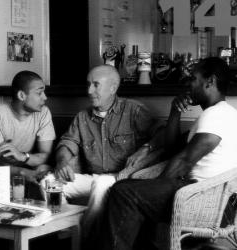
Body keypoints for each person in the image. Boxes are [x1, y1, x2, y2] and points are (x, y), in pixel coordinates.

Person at [94, 57, 237, 250]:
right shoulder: (219, 114)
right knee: (129, 188)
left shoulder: (216, 115)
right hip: (210, 199)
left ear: (209, 82)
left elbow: (184, 161)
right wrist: (175, 112)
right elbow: (172, 149)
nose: (188, 85)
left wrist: (154, 188)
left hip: (202, 200)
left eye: (193, 79)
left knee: (123, 192)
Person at [53, 65, 163, 232]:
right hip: (93, 177)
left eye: (96, 84)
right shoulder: (82, 117)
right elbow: (67, 143)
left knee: (102, 183)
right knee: (48, 182)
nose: (89, 90)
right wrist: (61, 162)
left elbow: (163, 133)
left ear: (113, 88)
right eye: (88, 84)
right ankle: (70, 231)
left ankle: (87, 239)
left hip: (123, 179)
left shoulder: (134, 110)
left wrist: (146, 148)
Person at [0, 70, 55, 196]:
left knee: (46, 172)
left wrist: (23, 156)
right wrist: (22, 172)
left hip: (28, 166)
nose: (45, 97)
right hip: (1, 175)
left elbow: (45, 155)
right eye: (39, 93)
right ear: (21, 95)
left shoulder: (44, 112)